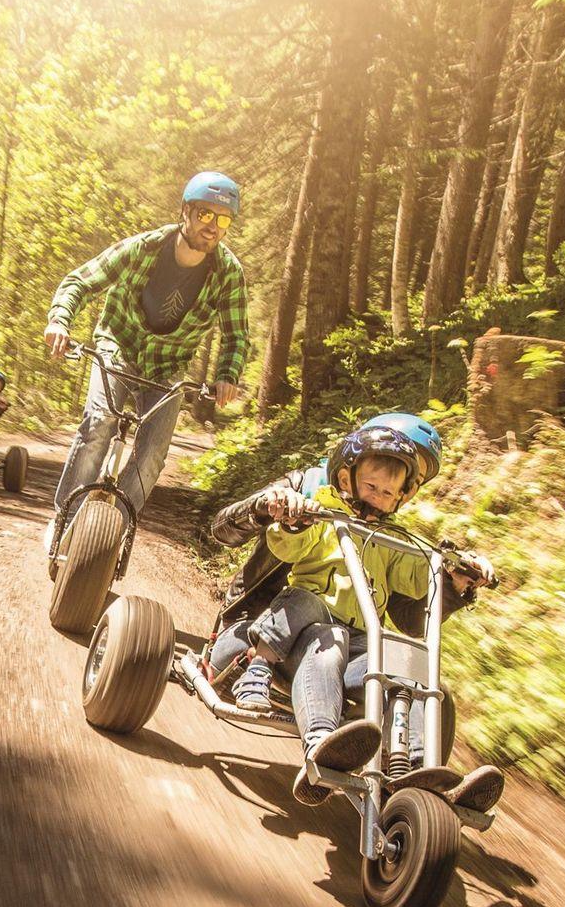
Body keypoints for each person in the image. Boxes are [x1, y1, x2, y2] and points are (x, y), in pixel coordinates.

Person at [205, 419, 502, 810]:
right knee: (327, 633)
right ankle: (316, 739)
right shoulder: (316, 501)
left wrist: (456, 576)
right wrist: (285, 513)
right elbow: (277, 541)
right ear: (348, 473)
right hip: (273, 630)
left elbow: (416, 584)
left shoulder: (390, 537)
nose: (381, 496)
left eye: (394, 489)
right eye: (373, 484)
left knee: (407, 667)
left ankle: (418, 772)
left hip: (352, 644)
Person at [42, 172, 250, 544]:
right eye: (205, 214)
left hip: (168, 366)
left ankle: (111, 537)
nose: (213, 227)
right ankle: (64, 524)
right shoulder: (142, 249)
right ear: (185, 211)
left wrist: (227, 375)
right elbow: (81, 281)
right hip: (118, 347)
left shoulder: (228, 273)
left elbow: (236, 336)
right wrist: (60, 320)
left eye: (223, 220)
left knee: (153, 452)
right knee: (99, 425)